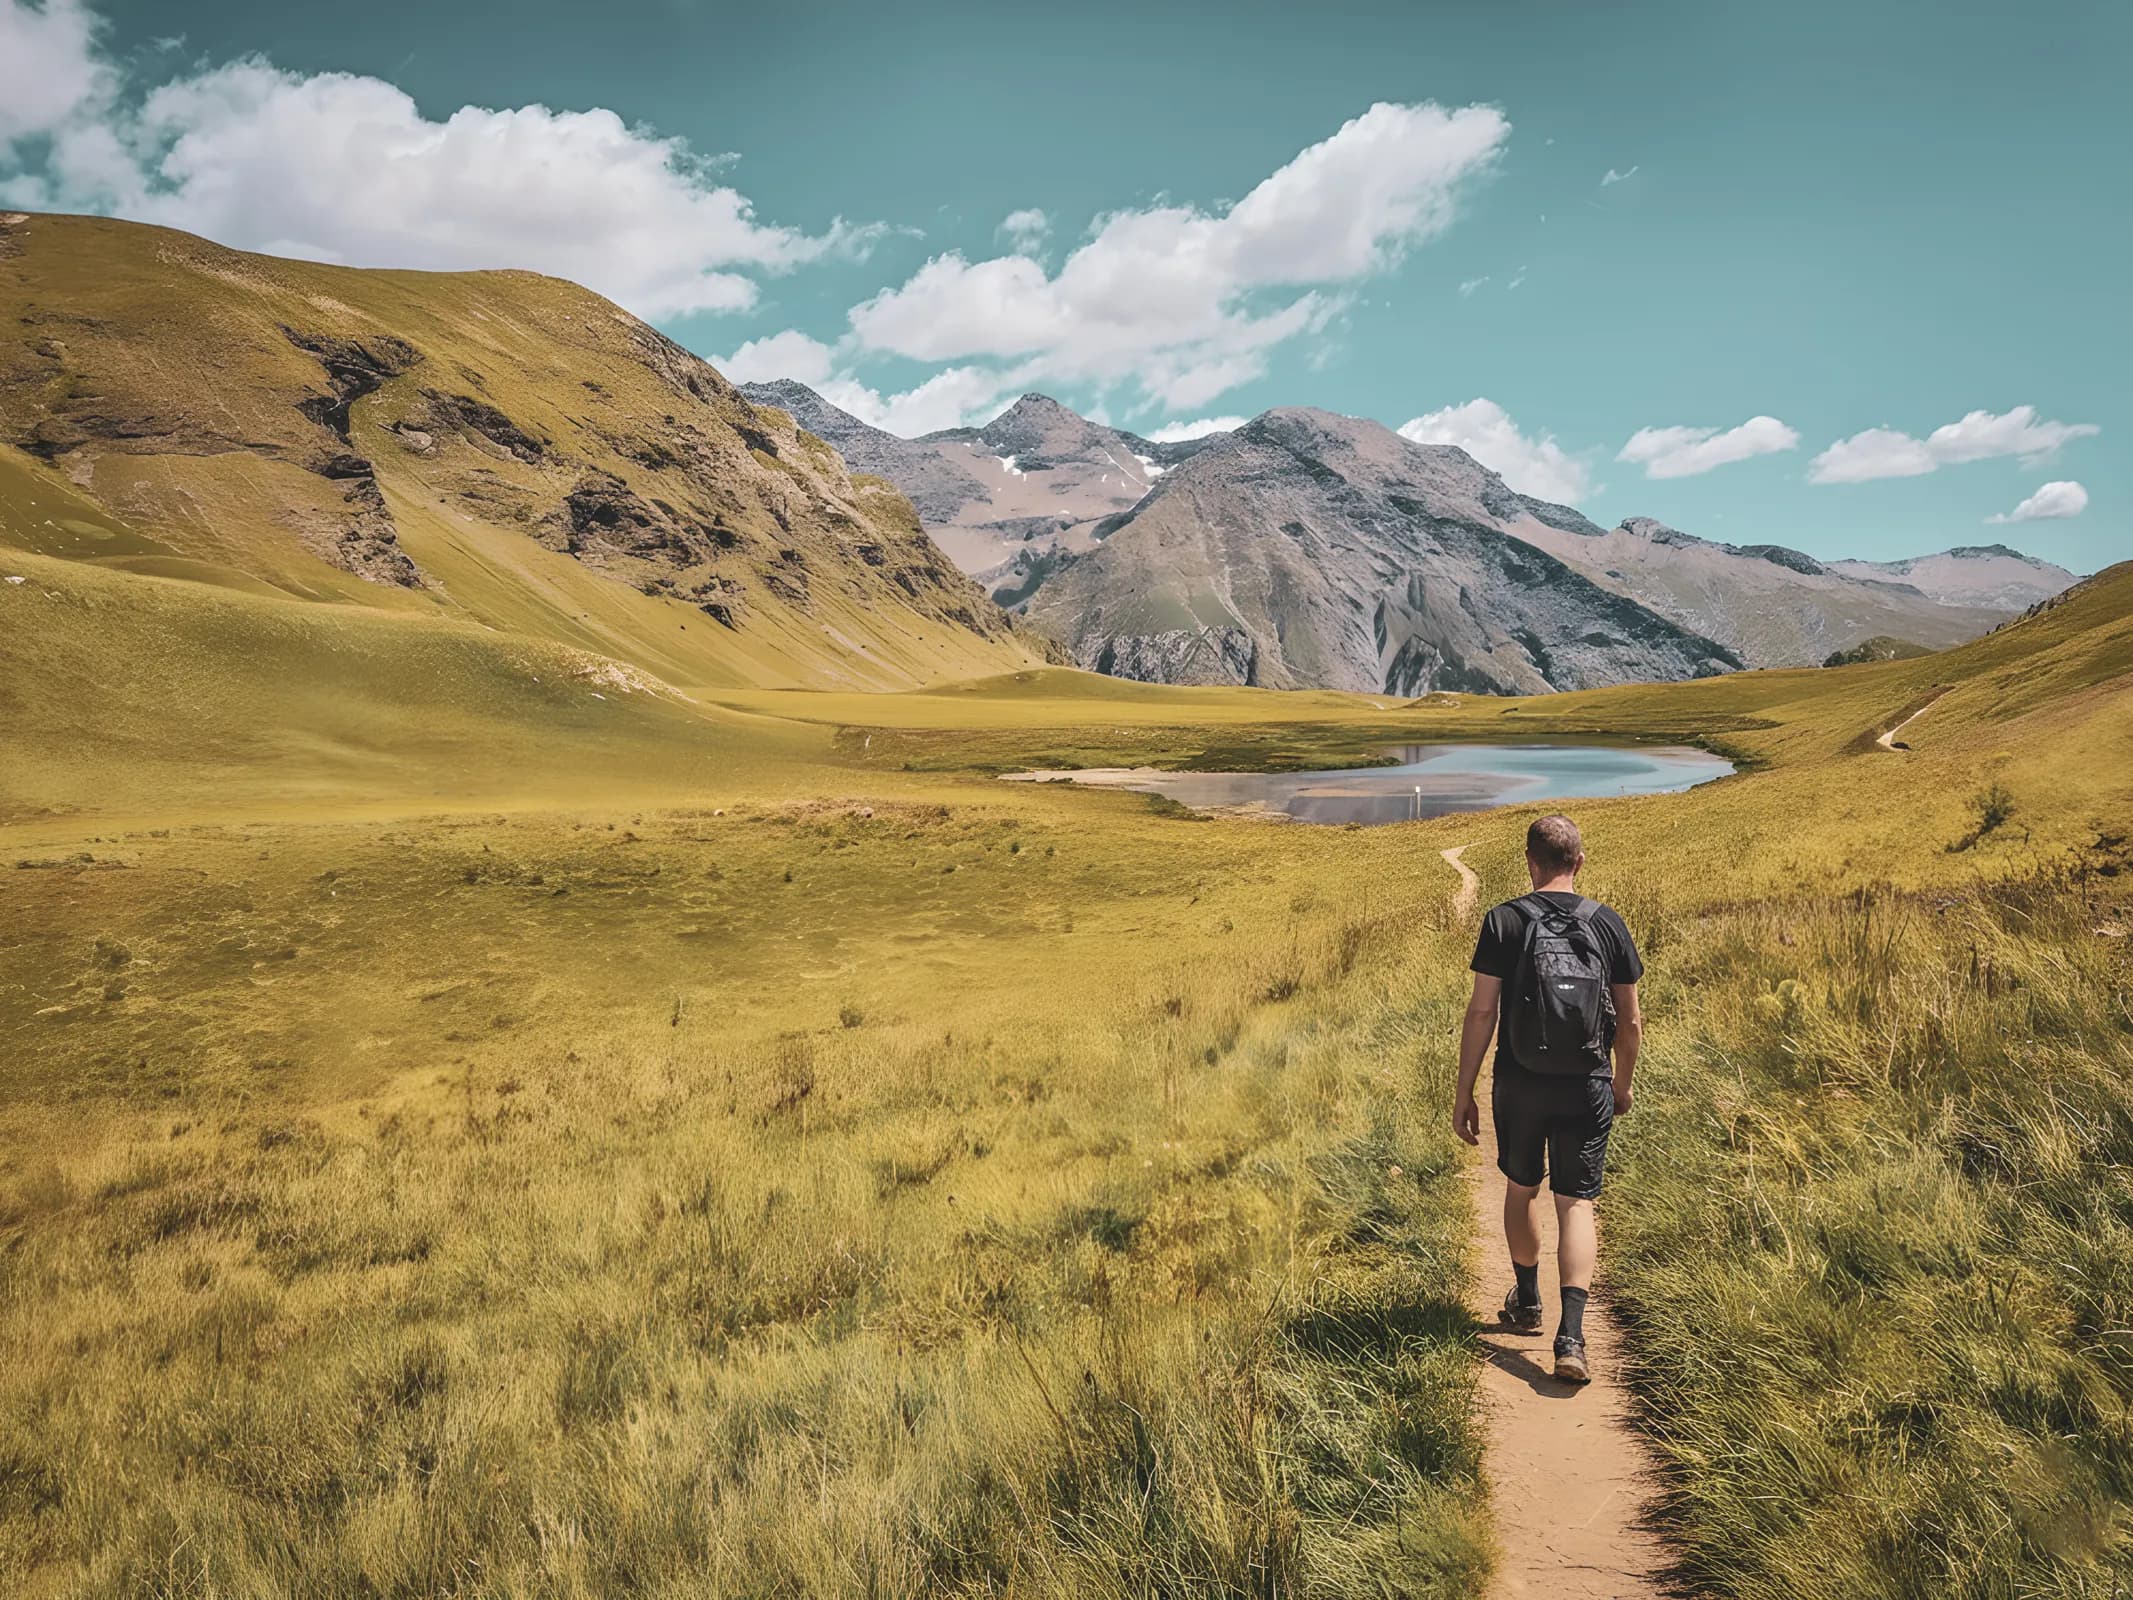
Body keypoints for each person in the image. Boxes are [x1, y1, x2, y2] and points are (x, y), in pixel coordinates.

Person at [1452, 814, 1643, 1384]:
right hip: (1588, 1081)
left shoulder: (1503, 921)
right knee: (1576, 1203)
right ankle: (1572, 1338)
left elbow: (1483, 1010)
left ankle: (1529, 1301)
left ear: (1530, 862)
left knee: (1521, 1188)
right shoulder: (1608, 924)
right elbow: (1630, 1020)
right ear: (1579, 862)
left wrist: (1464, 1089)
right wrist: (1622, 1082)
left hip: (1521, 1080)